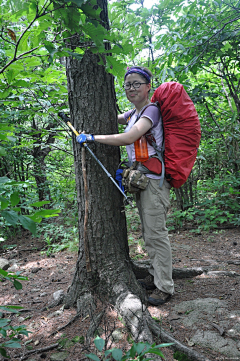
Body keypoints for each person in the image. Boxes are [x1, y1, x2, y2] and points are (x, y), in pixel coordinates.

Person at [76, 66, 174, 306]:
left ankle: (165, 287)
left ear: (148, 86)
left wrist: (92, 138)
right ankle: (155, 276)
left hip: (153, 182)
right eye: (127, 84)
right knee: (149, 234)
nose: (131, 88)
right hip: (142, 181)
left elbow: (129, 138)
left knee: (156, 235)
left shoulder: (151, 111)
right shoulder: (134, 113)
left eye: (137, 83)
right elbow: (110, 118)